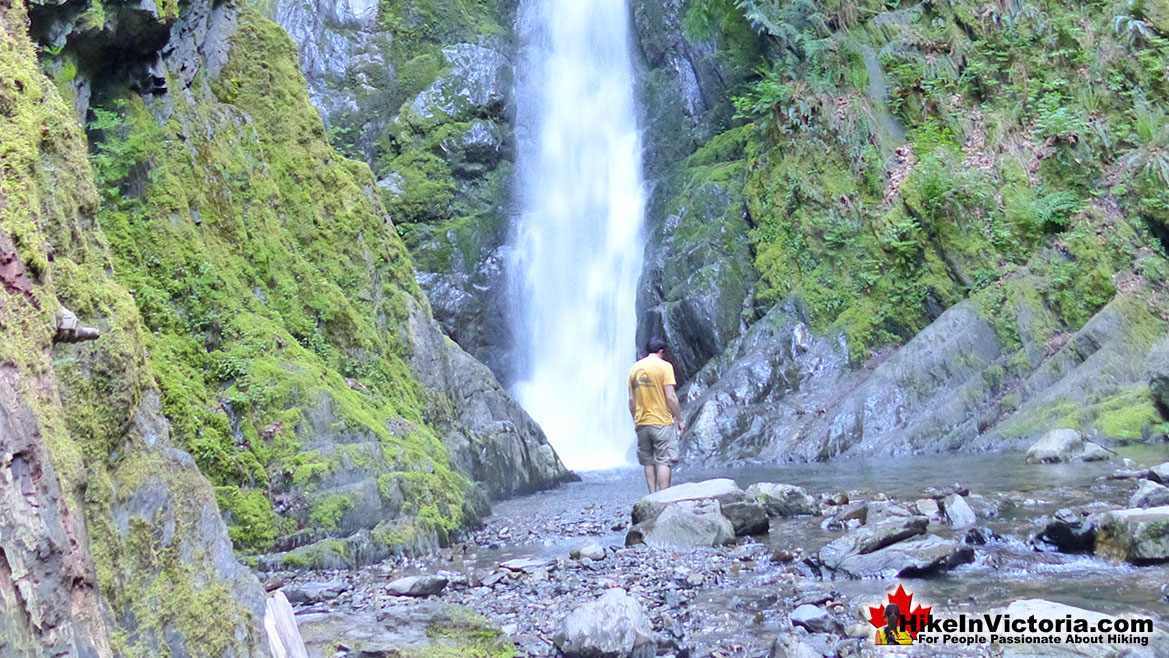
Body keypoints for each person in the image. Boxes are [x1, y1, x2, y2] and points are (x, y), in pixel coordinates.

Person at [628, 337, 684, 493]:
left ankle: (652, 495)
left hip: (642, 423)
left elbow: (631, 400)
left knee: (648, 461)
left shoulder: (634, 368)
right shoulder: (665, 367)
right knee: (663, 460)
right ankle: (663, 496)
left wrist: (636, 420)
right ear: (661, 351)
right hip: (661, 422)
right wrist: (680, 419)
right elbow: (671, 397)